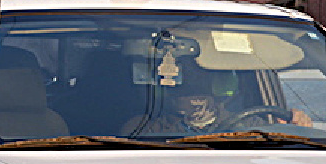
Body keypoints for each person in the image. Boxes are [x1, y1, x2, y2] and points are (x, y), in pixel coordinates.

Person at [124, 69, 311, 136]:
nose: (194, 99)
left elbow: (276, 153)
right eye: (186, 92)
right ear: (172, 97)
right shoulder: (146, 128)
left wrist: (298, 128)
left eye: (201, 90)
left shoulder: (250, 125)